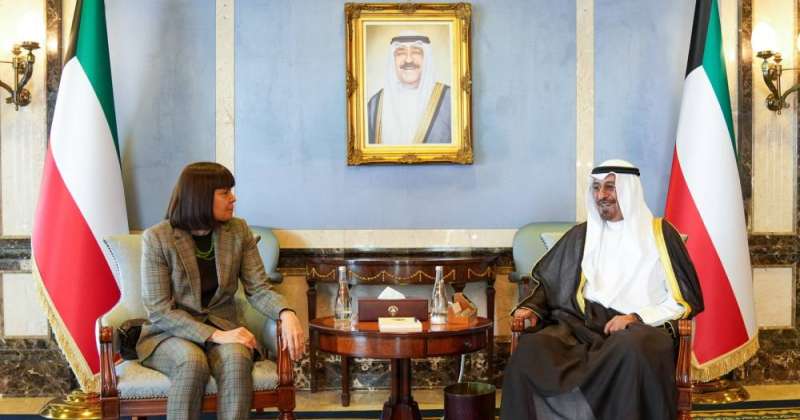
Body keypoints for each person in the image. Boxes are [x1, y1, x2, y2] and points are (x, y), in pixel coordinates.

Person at [500, 159, 704, 420]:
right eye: (596, 188)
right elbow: (552, 284)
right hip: (581, 324)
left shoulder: (661, 235)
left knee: (630, 348)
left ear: (629, 190)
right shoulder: (582, 235)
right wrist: (532, 307)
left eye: (610, 187)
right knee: (532, 348)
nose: (601, 195)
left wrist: (635, 318)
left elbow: (683, 300)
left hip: (641, 329)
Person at [136, 162, 304, 420]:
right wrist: (215, 335)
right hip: (169, 333)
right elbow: (159, 310)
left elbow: (259, 288)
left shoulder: (238, 231)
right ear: (200, 197)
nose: (233, 198)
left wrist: (286, 312)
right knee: (192, 362)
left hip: (224, 324)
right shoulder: (158, 238)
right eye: (225, 192)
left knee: (237, 360)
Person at [367, 30, 451, 144]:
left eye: (416, 52)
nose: (408, 60)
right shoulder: (375, 104)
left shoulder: (450, 99)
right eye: (400, 53)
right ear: (393, 59)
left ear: (426, 58)